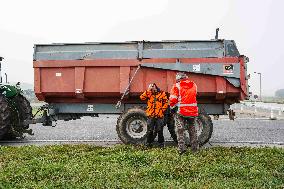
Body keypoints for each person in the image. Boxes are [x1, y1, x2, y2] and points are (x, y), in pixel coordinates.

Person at [169, 72, 199, 154]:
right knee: (192, 130)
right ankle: (194, 149)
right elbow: (194, 95)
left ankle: (182, 149)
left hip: (181, 112)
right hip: (193, 112)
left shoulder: (176, 86)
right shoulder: (194, 85)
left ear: (178, 78)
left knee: (180, 130)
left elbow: (172, 100)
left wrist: (172, 108)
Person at [140, 83, 168, 148]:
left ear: (156, 87)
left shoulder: (162, 93)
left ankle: (161, 144)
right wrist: (148, 90)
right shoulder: (149, 93)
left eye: (153, 86)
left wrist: (162, 110)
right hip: (151, 115)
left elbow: (166, 102)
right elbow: (142, 97)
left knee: (160, 130)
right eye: (151, 87)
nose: (153, 88)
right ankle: (149, 144)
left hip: (159, 116)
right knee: (150, 130)